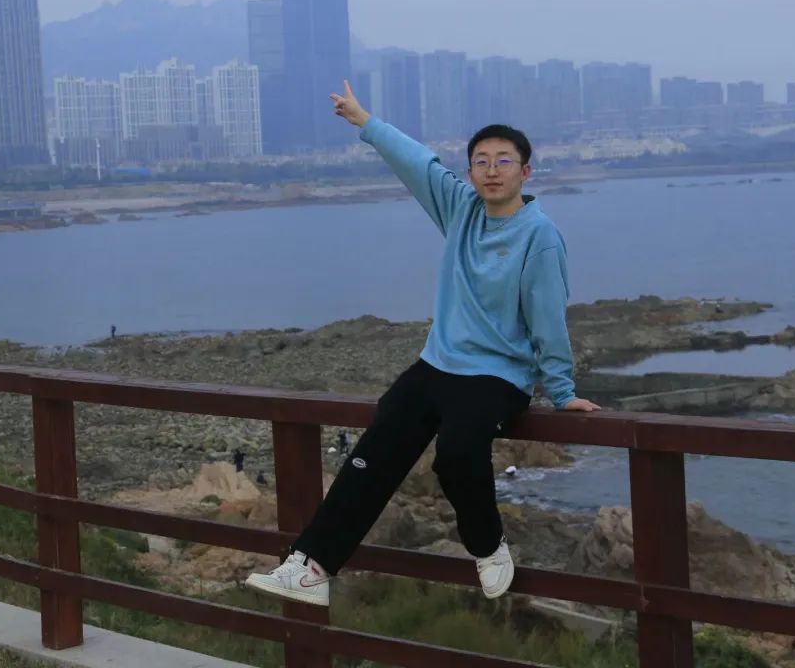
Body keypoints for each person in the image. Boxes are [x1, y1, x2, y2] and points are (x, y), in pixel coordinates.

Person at [245, 81, 599, 608]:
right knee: (371, 456)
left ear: (525, 172)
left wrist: (562, 390)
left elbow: (548, 317)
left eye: (504, 161)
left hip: (498, 375)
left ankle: (488, 546)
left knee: (456, 454)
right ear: (471, 172)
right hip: (437, 365)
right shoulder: (460, 209)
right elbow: (418, 163)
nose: (492, 170)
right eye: (481, 161)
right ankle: (312, 567)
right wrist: (365, 122)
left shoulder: (539, 235)